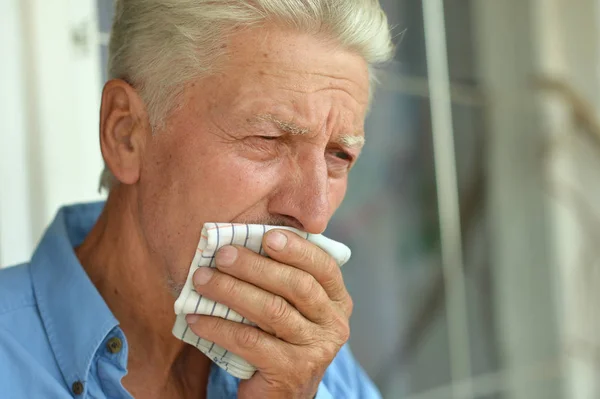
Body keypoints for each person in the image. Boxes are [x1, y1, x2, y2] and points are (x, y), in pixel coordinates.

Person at [0, 1, 393, 398]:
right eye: (267, 139)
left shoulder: (315, 370)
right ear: (127, 135)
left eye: (338, 155)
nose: (315, 214)